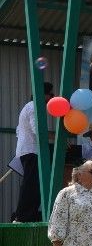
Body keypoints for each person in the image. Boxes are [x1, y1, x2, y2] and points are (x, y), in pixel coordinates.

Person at [12, 81, 53, 222]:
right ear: (44, 95)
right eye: (50, 95)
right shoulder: (35, 107)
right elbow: (38, 130)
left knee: (32, 183)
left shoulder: (27, 107)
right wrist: (56, 137)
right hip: (31, 151)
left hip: (26, 150)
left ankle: (26, 214)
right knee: (32, 184)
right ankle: (23, 215)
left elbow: (19, 131)